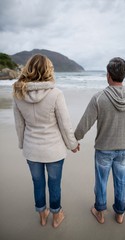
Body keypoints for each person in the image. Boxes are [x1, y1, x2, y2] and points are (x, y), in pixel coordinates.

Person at [13, 54, 80, 228]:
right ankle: (56, 216)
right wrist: (72, 145)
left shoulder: (18, 93)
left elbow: (19, 125)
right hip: (53, 150)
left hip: (31, 149)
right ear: (48, 70)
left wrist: (22, 144)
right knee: (54, 184)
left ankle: (42, 214)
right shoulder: (56, 94)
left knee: (38, 183)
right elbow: (65, 124)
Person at [75, 57, 125, 224]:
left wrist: (75, 139)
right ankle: (119, 214)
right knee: (121, 182)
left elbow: (85, 123)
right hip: (123, 147)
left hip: (104, 148)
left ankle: (100, 212)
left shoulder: (99, 98)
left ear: (109, 75)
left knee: (101, 182)